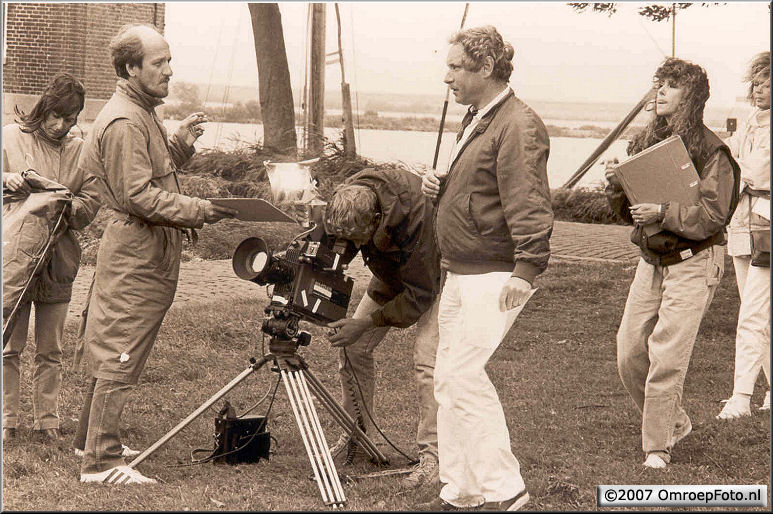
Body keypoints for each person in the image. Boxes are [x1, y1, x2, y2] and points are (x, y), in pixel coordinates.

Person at [73, 23, 236, 484]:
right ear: (130, 68)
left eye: (168, 60)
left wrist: (180, 142)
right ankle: (101, 464)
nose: (169, 71)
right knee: (119, 349)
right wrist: (201, 209)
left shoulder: (140, 112)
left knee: (115, 345)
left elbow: (152, 173)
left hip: (144, 248)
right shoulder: (126, 120)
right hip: (137, 252)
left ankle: (91, 439)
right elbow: (139, 196)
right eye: (159, 63)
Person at [420, 26, 552, 511]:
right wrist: (444, 184)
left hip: (494, 273)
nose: (447, 77)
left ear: (486, 68)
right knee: (447, 379)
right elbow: (482, 185)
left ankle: (506, 491)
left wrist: (526, 270)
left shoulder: (518, 124)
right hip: (462, 269)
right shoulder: (480, 118)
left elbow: (528, 201)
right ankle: (461, 489)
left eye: (455, 67)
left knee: (463, 376)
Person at [605, 58, 740, 469]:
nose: (661, 92)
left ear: (692, 96)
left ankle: (657, 448)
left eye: (672, 86)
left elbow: (715, 216)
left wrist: (662, 211)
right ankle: (675, 423)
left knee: (667, 356)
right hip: (653, 258)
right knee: (629, 352)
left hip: (696, 261)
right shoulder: (645, 144)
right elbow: (625, 212)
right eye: (659, 84)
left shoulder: (714, 151)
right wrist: (616, 186)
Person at [324, 167, 441, 488]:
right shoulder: (349, 198)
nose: (350, 246)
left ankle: (434, 456)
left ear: (377, 219)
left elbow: (421, 292)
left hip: (433, 276)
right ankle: (358, 437)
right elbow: (339, 244)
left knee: (427, 362)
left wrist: (365, 323)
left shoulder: (416, 215)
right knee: (353, 347)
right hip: (390, 269)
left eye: (356, 240)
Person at [2, 73, 100, 443]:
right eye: (55, 116)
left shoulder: (81, 151)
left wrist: (68, 206)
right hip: (15, 259)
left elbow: (90, 201)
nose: (61, 126)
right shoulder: (12, 136)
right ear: (43, 108)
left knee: (51, 348)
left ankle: (48, 421)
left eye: (71, 118)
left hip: (59, 261)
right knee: (9, 345)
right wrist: (8, 178)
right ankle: (7, 420)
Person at [717, 51, 771, 419]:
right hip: (742, 221)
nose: (760, 89)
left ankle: (741, 396)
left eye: (768, 82)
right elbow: (729, 160)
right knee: (756, 310)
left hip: (766, 221)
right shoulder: (752, 122)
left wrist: (733, 168)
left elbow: (752, 171)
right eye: (757, 82)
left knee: (753, 312)